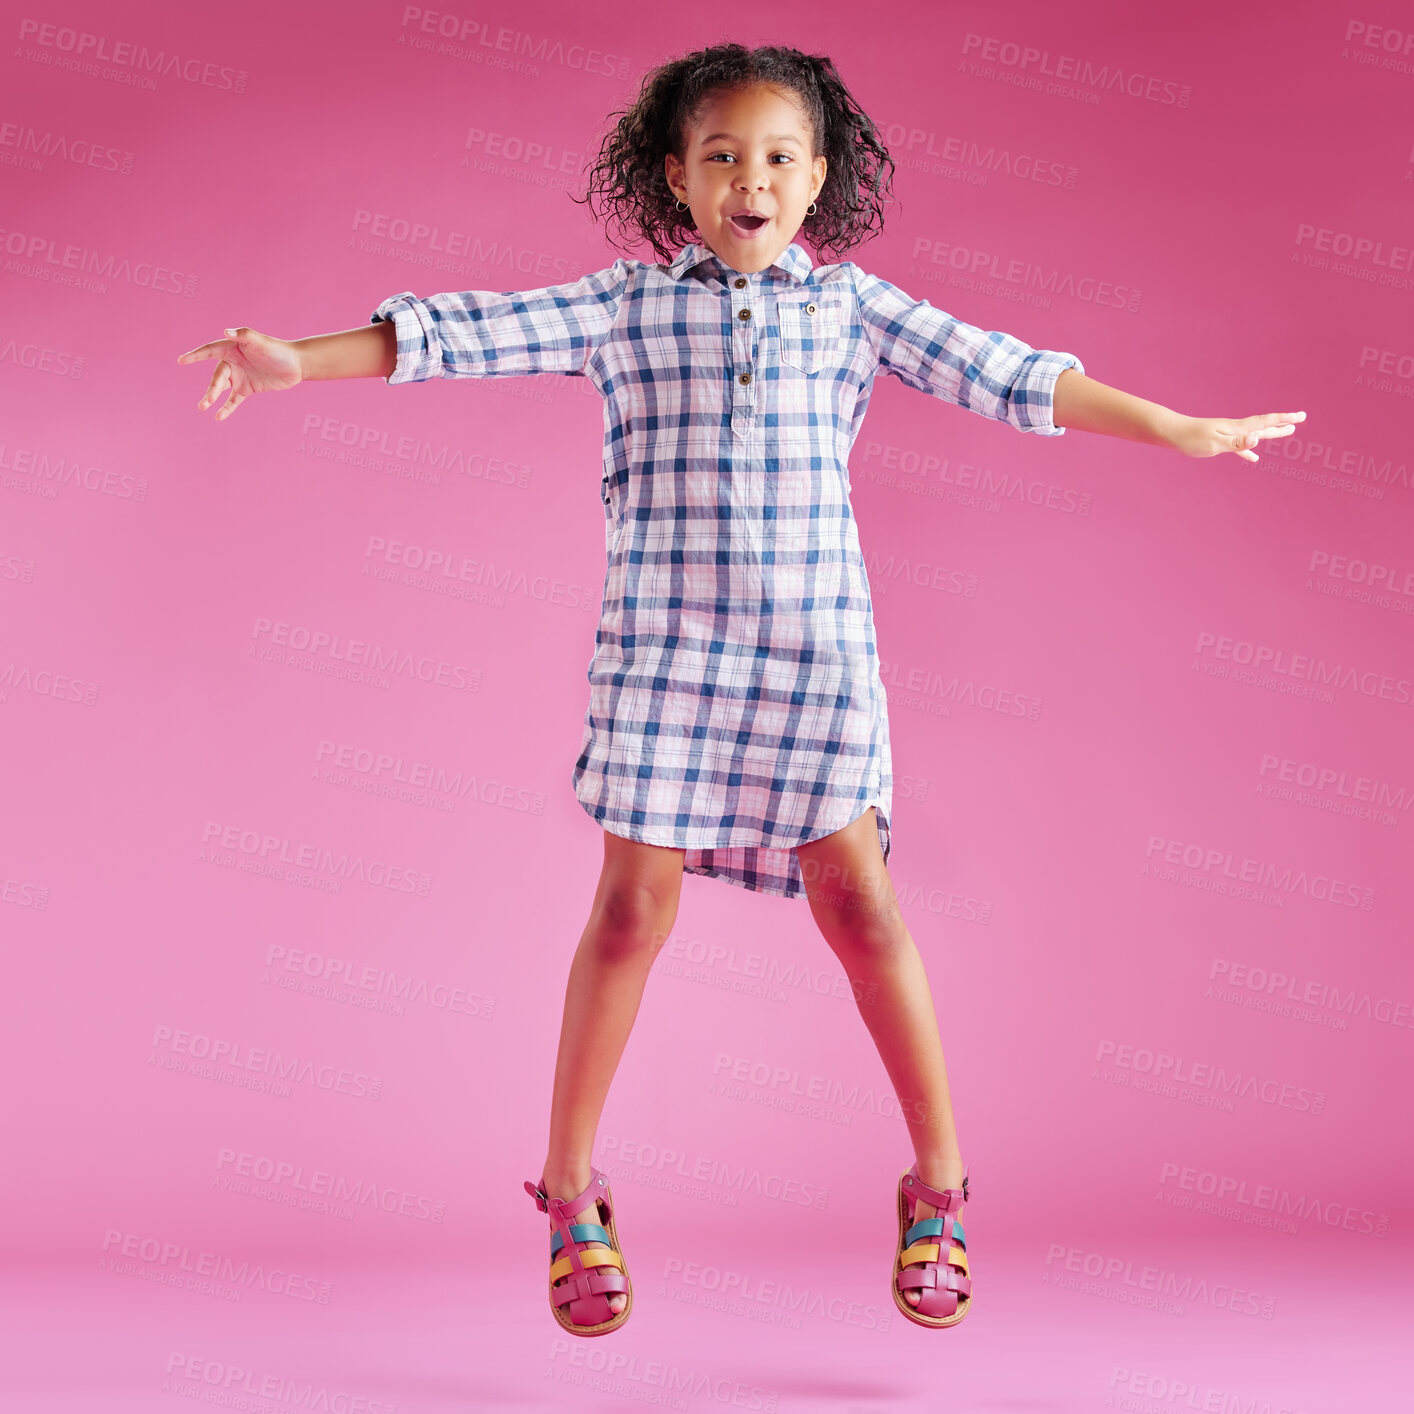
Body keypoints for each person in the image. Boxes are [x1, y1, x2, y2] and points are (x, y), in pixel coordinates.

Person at [176, 42, 1305, 1338]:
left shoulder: (856, 310)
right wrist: (294, 362)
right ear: (676, 177)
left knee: (863, 911)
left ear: (817, 178)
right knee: (626, 913)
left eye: (777, 157)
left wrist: (1171, 423)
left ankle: (937, 1189)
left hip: (815, 655)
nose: (749, 179)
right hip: (663, 652)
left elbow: (1011, 375)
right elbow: (459, 332)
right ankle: (567, 1194)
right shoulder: (621, 306)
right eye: (719, 156)